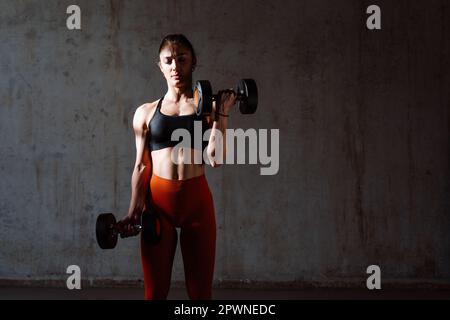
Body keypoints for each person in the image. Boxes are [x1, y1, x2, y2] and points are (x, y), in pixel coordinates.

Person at [118, 34, 236, 300]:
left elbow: (215, 158)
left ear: (193, 62)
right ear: (160, 66)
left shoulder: (208, 109)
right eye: (168, 61)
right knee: (155, 292)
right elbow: (140, 166)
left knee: (200, 294)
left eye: (181, 59)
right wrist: (133, 211)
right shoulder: (146, 112)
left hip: (197, 205)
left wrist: (222, 115)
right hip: (158, 207)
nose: (175, 67)